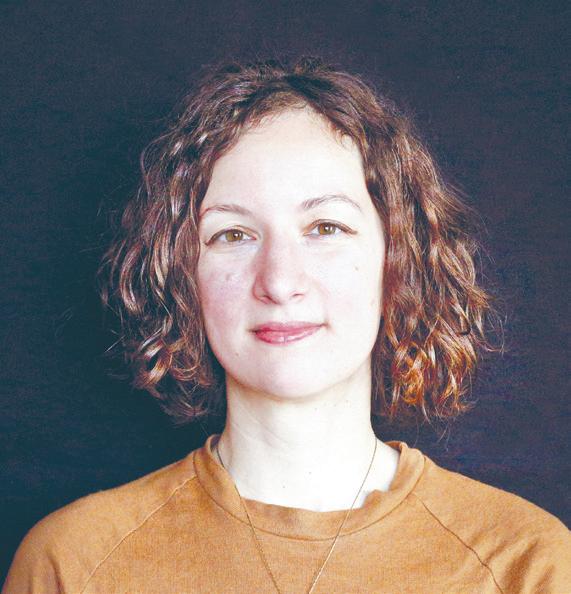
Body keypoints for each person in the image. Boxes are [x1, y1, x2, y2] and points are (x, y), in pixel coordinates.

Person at [3, 57, 570, 594]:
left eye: (325, 227)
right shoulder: (75, 562)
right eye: (232, 234)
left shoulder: (526, 562)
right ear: (182, 275)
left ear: (398, 259)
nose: (279, 281)